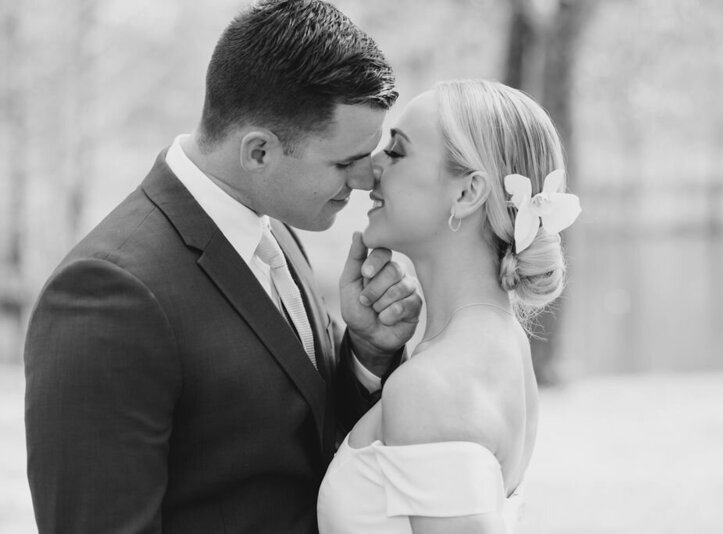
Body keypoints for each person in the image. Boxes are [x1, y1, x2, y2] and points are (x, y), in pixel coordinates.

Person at [24, 1, 422, 533]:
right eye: (344, 161)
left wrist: (367, 354)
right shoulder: (110, 292)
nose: (364, 180)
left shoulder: (275, 226)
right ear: (258, 152)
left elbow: (304, 437)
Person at [317, 79, 581, 533]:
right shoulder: (501, 343)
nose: (370, 169)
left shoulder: (434, 386)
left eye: (396, 152)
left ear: (467, 192)